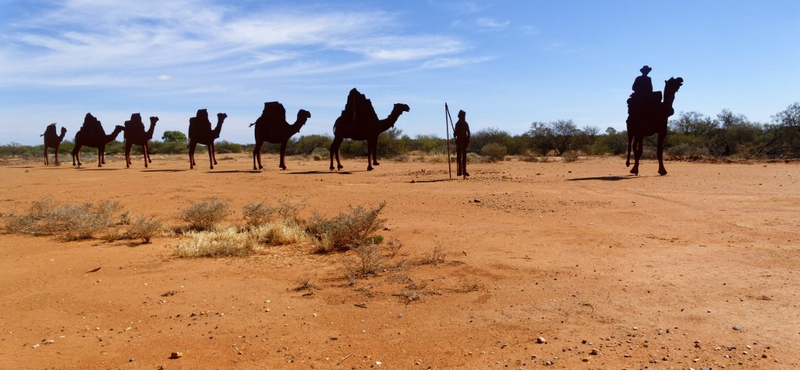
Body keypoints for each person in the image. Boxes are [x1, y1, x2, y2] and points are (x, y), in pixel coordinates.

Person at [453, 110, 471, 177]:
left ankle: (462, 171)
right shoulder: (459, 124)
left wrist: (467, 141)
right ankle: (460, 171)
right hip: (461, 141)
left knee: (462, 157)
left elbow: (468, 133)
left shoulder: (463, 124)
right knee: (460, 157)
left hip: (463, 141)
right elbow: (455, 133)